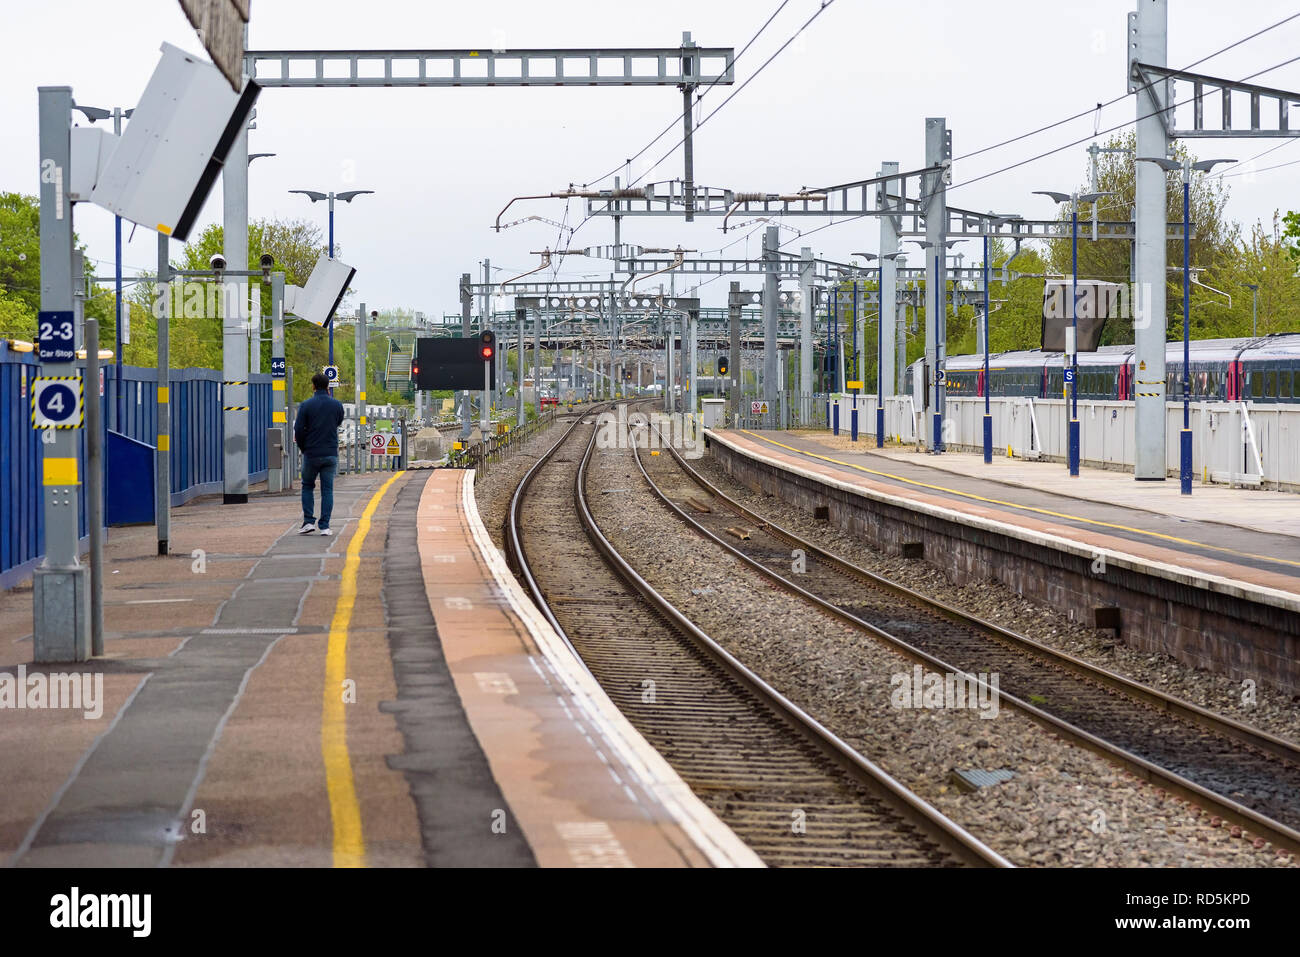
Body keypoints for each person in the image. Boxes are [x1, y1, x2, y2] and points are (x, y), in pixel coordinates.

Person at [293, 372, 345, 536]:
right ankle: (325, 526)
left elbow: (298, 430)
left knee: (307, 486)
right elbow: (338, 422)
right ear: (328, 386)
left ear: (313, 386)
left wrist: (304, 448)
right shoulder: (337, 405)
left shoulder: (306, 405)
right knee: (327, 490)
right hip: (330, 453)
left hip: (311, 453)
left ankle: (308, 522)